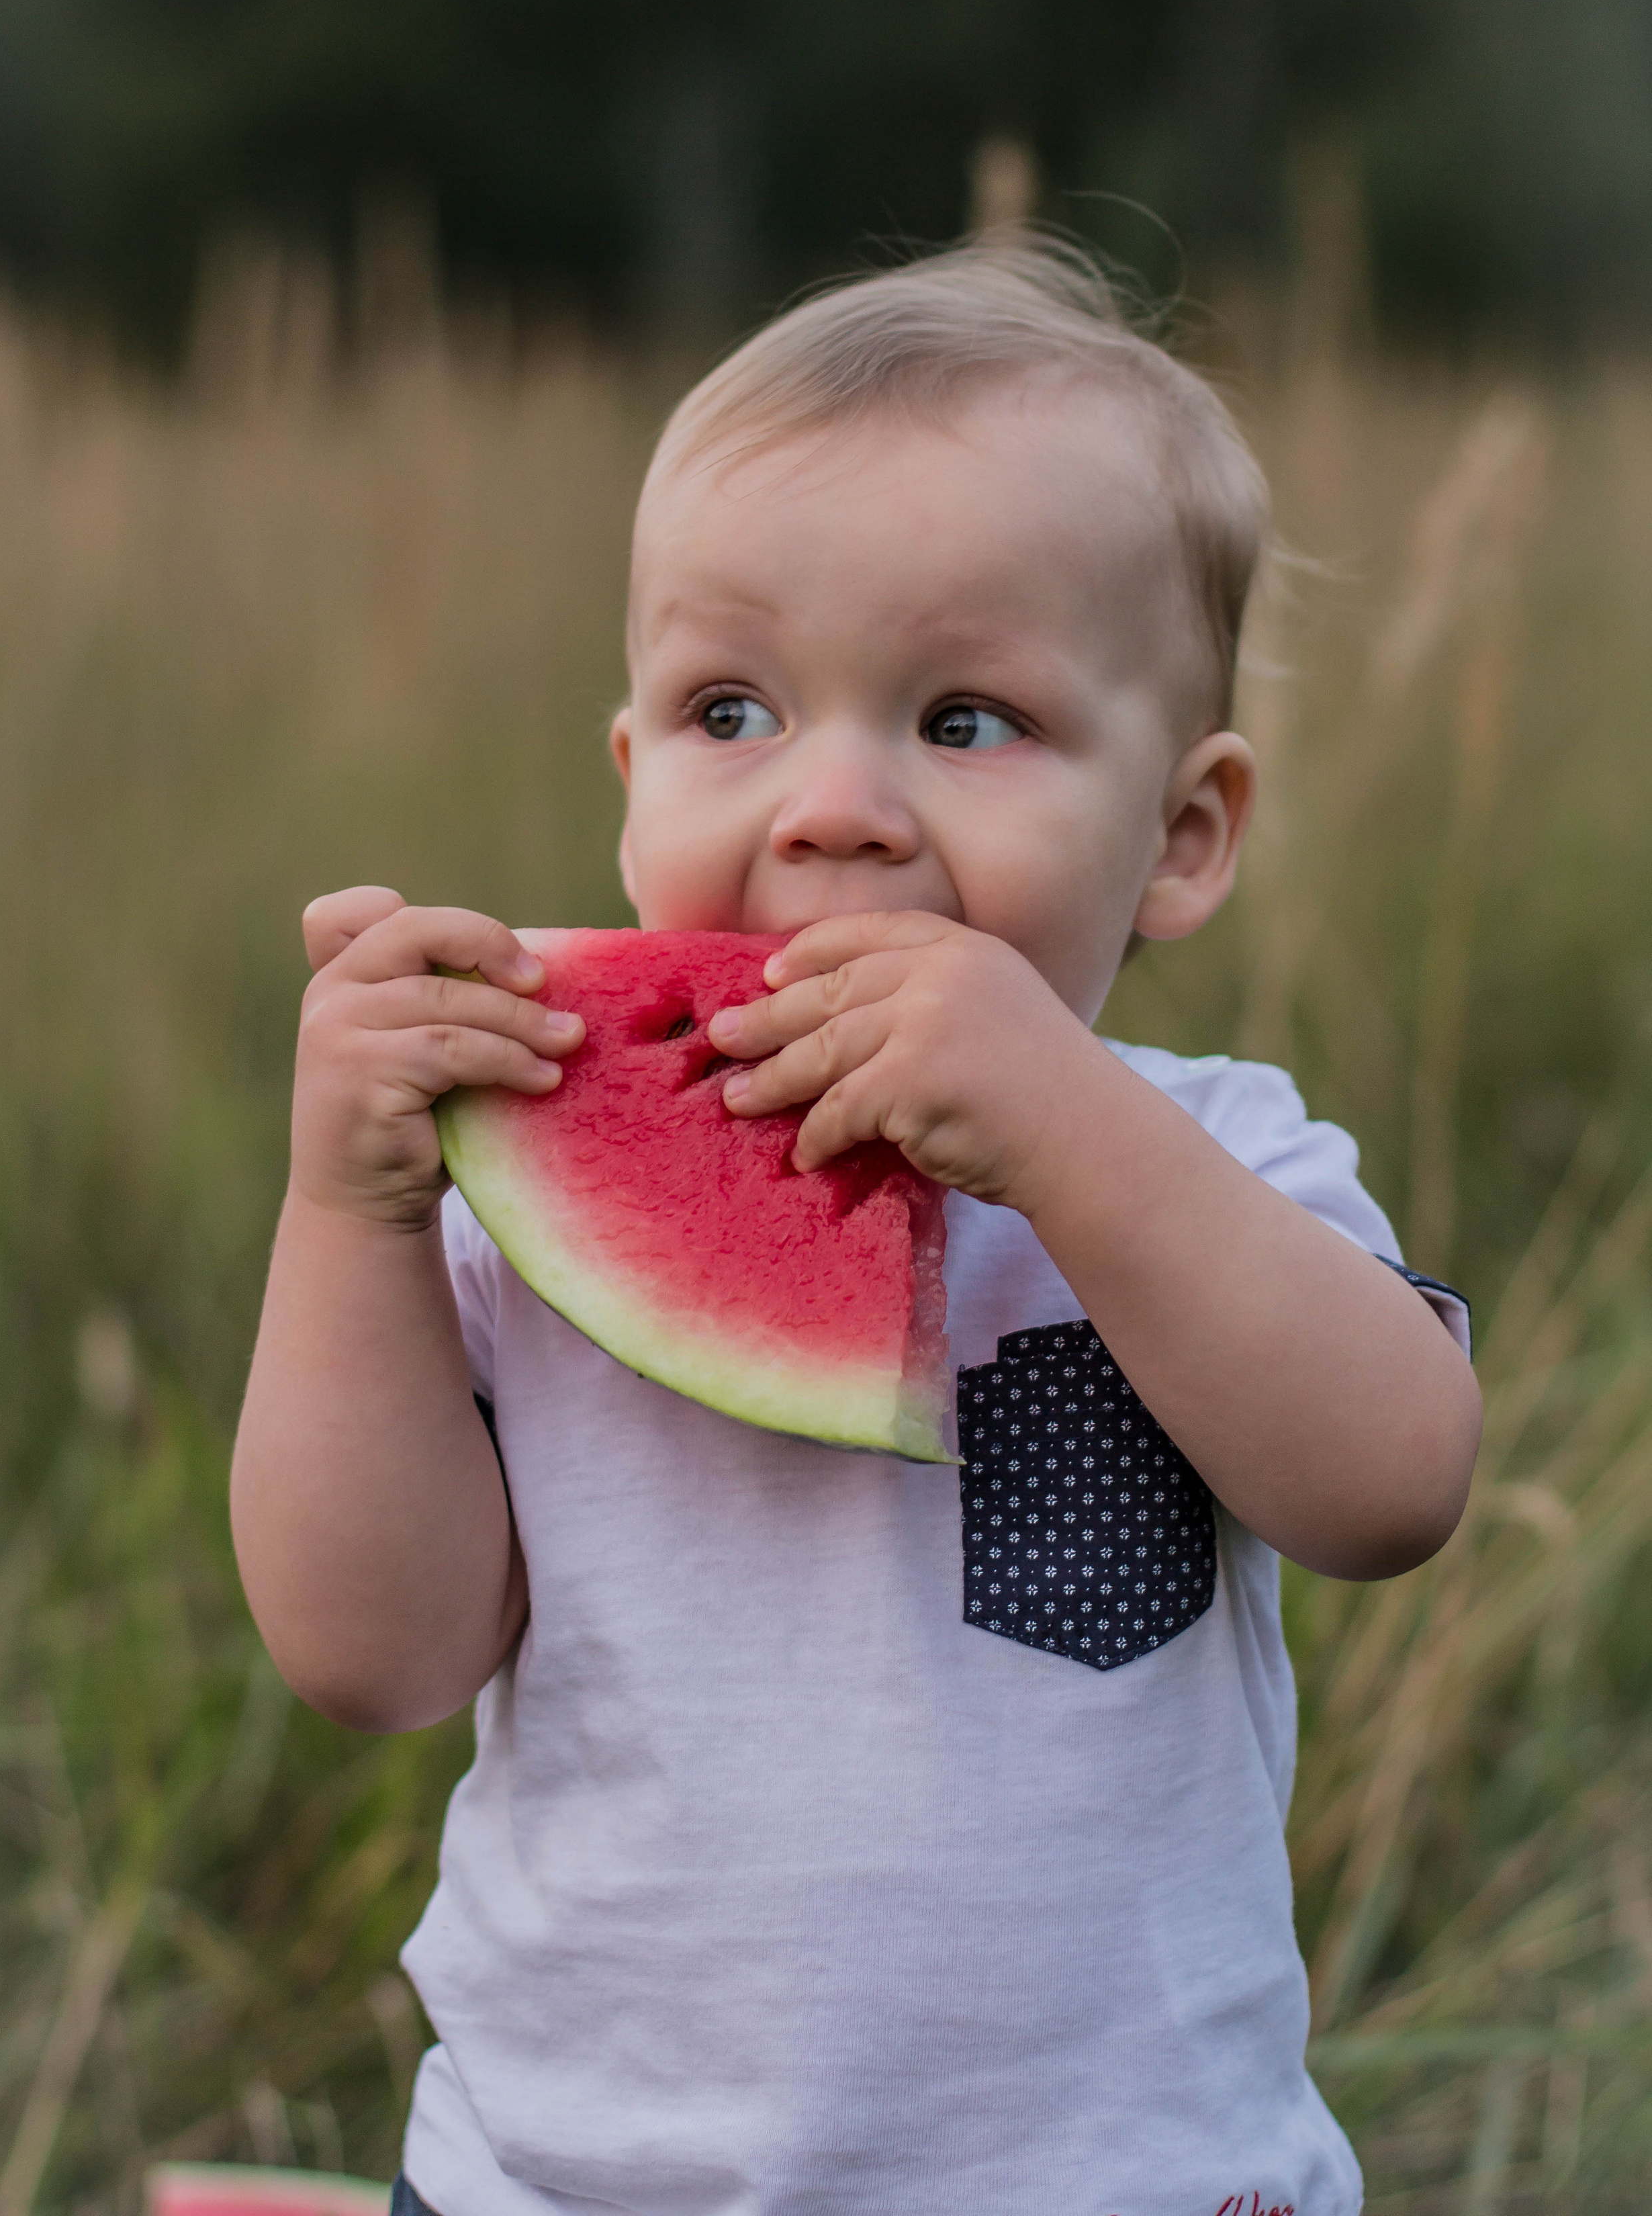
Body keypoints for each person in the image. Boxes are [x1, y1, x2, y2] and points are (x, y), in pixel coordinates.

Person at [232, 238, 1480, 2216]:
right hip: (567, 2183)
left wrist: (1071, 1135)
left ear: (1184, 832)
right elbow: (369, 1656)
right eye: (733, 708)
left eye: (966, 720)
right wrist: (347, 1212)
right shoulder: (509, 1196)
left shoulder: (1226, 1158)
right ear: (631, 781)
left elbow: (1395, 1482)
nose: (832, 806)